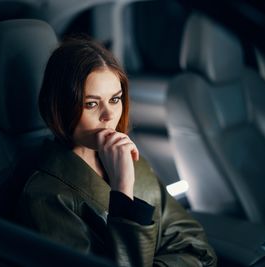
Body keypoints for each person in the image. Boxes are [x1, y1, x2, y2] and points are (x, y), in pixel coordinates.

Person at [16, 36, 217, 267]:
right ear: (59, 106)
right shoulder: (45, 195)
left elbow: (200, 249)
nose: (109, 115)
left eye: (115, 99)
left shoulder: (129, 159)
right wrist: (122, 190)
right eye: (91, 104)